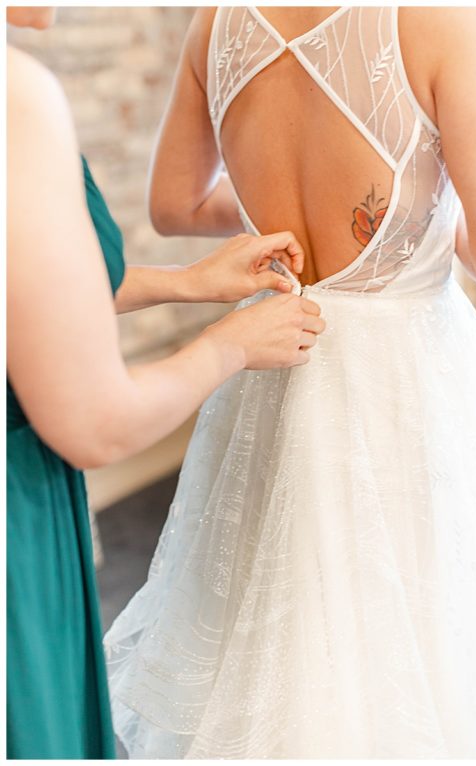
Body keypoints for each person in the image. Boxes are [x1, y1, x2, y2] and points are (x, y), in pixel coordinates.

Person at [104, 7, 476, 758]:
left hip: (273, 352)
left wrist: (276, 204)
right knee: (414, 637)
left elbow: (174, 206)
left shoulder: (214, 21)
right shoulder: (448, 19)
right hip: (405, 373)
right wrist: (419, 212)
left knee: (273, 624)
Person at [7, 7, 325, 759]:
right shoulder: (14, 99)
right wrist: (229, 346)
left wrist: (188, 281)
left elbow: (25, 287)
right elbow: (95, 423)